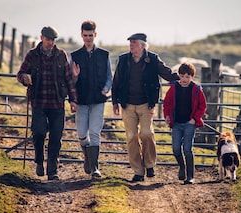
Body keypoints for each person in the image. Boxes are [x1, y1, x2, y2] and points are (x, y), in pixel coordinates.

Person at [112, 33, 179, 182]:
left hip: (145, 104)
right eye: (130, 43)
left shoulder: (153, 59)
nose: (131, 45)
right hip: (127, 104)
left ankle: (149, 165)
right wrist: (115, 102)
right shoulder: (123, 60)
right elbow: (116, 81)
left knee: (147, 133)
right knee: (131, 137)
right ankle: (138, 171)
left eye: (134, 43)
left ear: (142, 45)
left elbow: (167, 73)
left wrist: (183, 77)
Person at [17, 26, 77, 181]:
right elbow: (20, 73)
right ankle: (38, 161)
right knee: (38, 133)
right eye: (48, 39)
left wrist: (73, 99)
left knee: (56, 137)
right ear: (41, 37)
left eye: (53, 40)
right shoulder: (32, 55)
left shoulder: (61, 55)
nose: (50, 42)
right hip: (38, 101)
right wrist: (24, 78)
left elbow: (69, 78)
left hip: (57, 102)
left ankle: (52, 170)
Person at [71, 20, 112, 178]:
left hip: (98, 99)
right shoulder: (75, 56)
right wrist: (74, 77)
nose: (88, 38)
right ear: (81, 35)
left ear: (95, 34)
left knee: (94, 132)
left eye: (91, 35)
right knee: (82, 134)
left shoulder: (104, 55)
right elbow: (70, 81)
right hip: (81, 100)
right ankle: (88, 158)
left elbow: (109, 76)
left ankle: (94, 167)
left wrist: (106, 88)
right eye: (85, 35)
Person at [163, 62, 207, 184]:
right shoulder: (173, 88)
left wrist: (195, 118)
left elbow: (202, 106)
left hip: (189, 123)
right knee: (176, 149)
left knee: (187, 149)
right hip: (176, 123)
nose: (184, 79)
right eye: (182, 76)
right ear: (179, 76)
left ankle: (190, 176)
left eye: (187, 77)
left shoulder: (196, 89)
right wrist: (167, 116)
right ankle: (182, 166)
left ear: (192, 77)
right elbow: (167, 103)